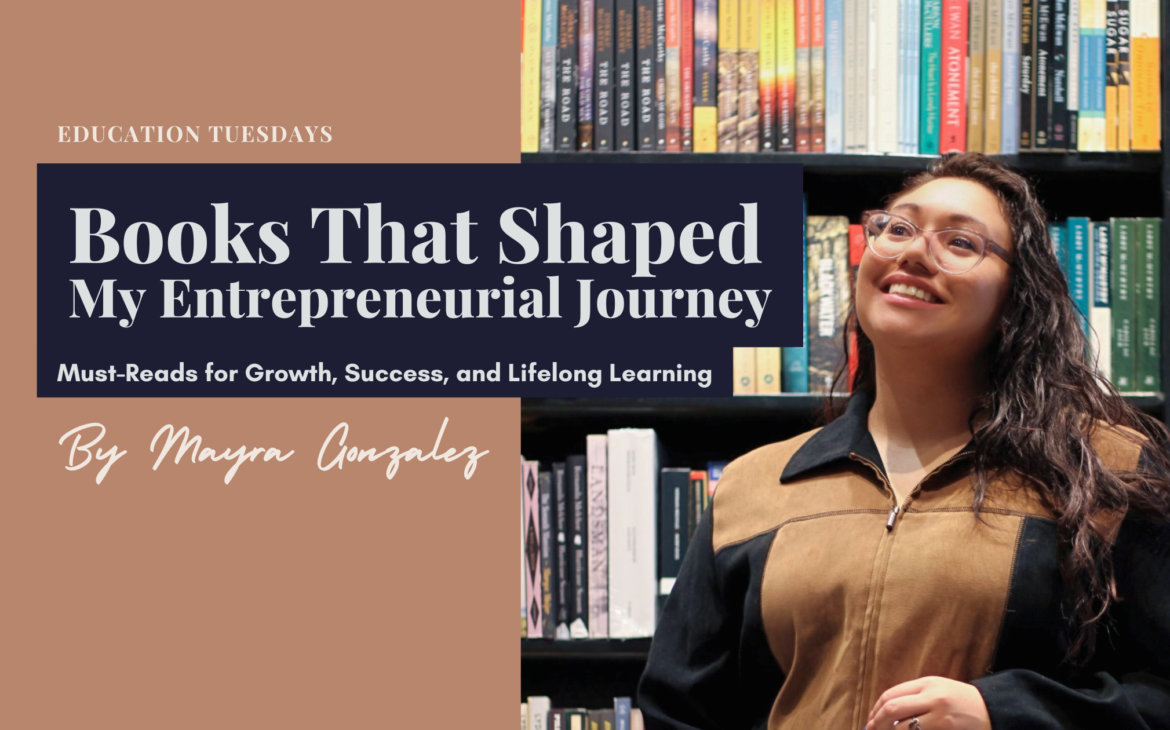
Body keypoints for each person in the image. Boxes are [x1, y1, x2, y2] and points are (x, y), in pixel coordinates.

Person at [635, 153, 1170, 730]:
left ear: (1017, 300)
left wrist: (1006, 713)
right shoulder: (753, 487)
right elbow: (678, 713)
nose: (914, 251)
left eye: (961, 243)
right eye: (897, 228)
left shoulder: (1105, 469)